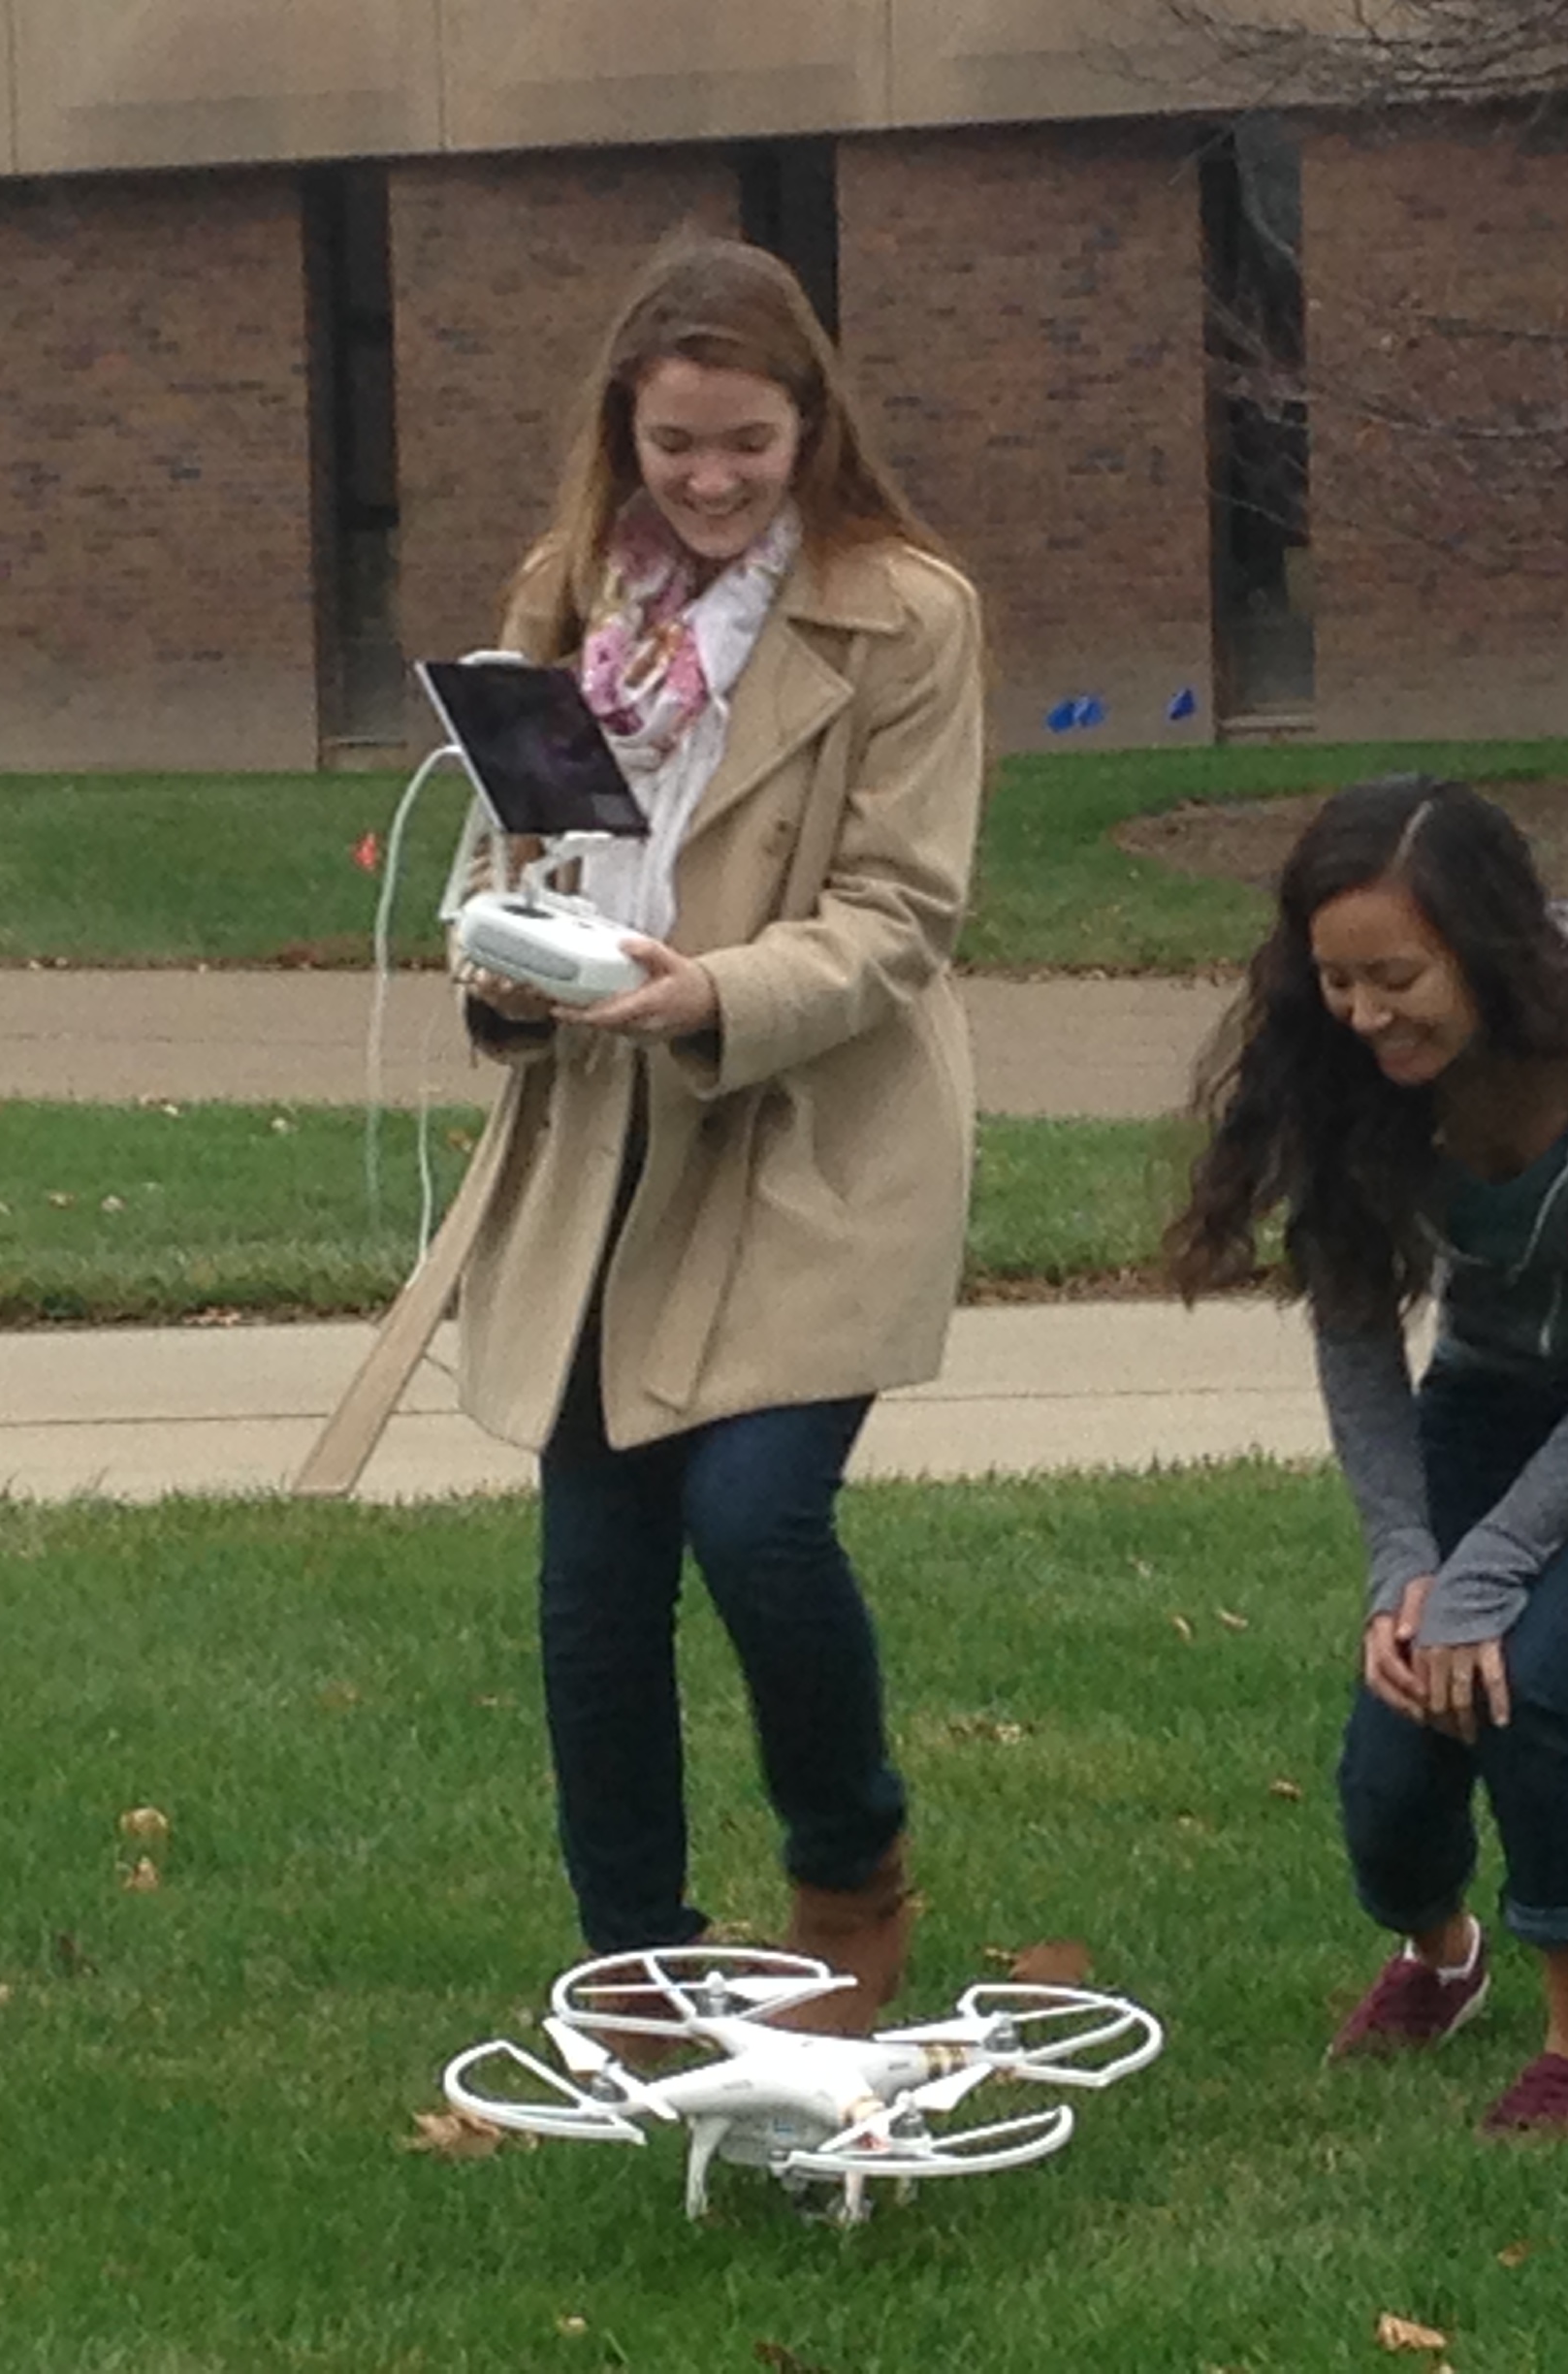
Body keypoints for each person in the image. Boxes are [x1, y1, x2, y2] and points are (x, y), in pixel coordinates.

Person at [439, 236, 986, 2030]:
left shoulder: (905, 612)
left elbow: (904, 911)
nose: (713, 479)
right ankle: (634, 1964)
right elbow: (501, 845)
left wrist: (711, 995)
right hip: (602, 1144)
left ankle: (850, 1885)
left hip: (811, 1137)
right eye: (676, 443)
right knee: (592, 1574)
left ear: (813, 423)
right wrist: (510, 965)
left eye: (748, 440)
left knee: (757, 1522)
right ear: (626, 429)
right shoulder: (563, 592)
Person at [1166, 778, 1568, 2132]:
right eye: (1335, 980)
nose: (1363, 1013)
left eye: (1395, 976)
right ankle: (1438, 1954)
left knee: (1525, 1673)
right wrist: (1409, 1560)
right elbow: (1355, 1333)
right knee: (1397, 1743)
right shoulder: (1346, 1064)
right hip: (1496, 1388)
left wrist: (1494, 1569)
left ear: (1484, 944)